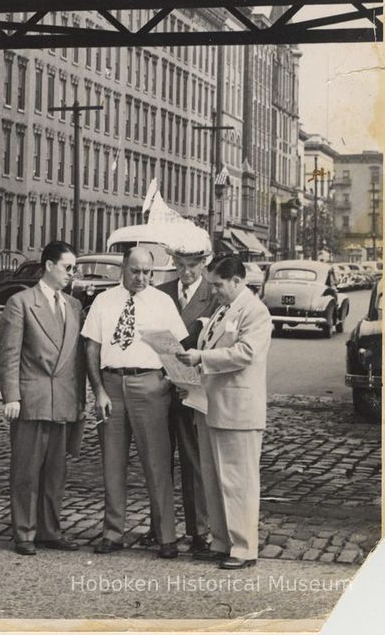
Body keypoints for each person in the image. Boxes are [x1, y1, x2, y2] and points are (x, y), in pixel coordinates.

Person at [83, 246, 187, 559]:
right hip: (111, 385)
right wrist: (98, 390)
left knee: (157, 463)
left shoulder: (162, 302)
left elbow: (176, 349)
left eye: (147, 273)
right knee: (112, 463)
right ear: (123, 268)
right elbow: (91, 349)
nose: (141, 278)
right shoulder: (104, 300)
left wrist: (170, 380)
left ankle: (166, 536)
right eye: (135, 271)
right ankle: (112, 533)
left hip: (150, 387)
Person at [177, 254, 272, 570]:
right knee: (216, 480)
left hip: (238, 410)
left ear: (237, 281)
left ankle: (244, 548)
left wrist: (201, 357)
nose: (213, 291)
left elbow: (245, 353)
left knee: (239, 482)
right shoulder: (223, 310)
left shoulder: (255, 312)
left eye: (218, 285)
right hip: (211, 407)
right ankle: (222, 541)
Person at [0, 241, 85, 556]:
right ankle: (24, 531)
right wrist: (11, 396)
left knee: (56, 472)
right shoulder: (20, 303)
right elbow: (8, 354)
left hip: (63, 398)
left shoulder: (73, 306)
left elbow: (78, 360)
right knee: (26, 471)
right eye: (68, 267)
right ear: (48, 266)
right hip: (31, 399)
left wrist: (79, 402)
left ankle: (49, 530)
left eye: (74, 268)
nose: (72, 274)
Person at [149, 231, 218, 554]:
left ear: (204, 263)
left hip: (194, 391)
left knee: (193, 461)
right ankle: (159, 527)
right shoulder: (159, 293)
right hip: (160, 388)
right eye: (180, 264)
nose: (186, 272)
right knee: (159, 461)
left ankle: (199, 531)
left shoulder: (214, 295)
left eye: (193, 265)